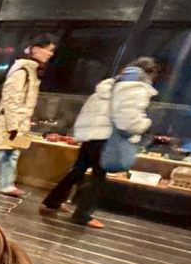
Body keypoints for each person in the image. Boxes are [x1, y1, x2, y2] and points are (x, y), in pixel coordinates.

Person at [40, 57, 160, 228]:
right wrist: (144, 124)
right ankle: (83, 214)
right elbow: (127, 119)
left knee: (79, 170)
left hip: (91, 134)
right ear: (150, 72)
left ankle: (51, 202)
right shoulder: (134, 88)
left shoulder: (110, 84)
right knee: (98, 177)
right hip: (106, 136)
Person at [0, 36, 57, 197]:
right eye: (48, 49)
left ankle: (7, 184)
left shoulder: (31, 71)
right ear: (35, 49)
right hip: (9, 121)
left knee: (12, 153)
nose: (50, 54)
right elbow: (10, 99)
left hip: (20, 121)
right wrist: (12, 125)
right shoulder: (22, 71)